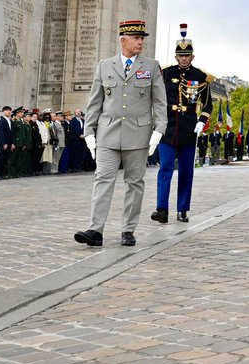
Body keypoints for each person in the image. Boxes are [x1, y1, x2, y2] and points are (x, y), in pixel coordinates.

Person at [74, 19, 167, 248]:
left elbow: (160, 103)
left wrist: (158, 131)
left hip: (138, 135)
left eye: (142, 38)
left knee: (134, 183)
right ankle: (95, 230)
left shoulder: (151, 66)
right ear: (123, 40)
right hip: (108, 133)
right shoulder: (104, 66)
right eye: (136, 38)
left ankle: (128, 229)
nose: (140, 42)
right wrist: (89, 133)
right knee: (102, 179)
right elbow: (95, 102)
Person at [154, 34, 213, 224]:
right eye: (181, 55)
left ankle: (182, 209)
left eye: (187, 55)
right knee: (165, 168)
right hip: (168, 127)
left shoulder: (200, 77)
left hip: (188, 127)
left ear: (192, 57)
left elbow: (207, 105)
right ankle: (161, 209)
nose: (184, 59)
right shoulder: (166, 73)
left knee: (187, 171)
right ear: (176, 56)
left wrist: (201, 122)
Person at [0, 106, 14, 180]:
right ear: (3, 111)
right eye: (6, 110)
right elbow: (1, 133)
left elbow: (12, 133)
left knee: (5, 160)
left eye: (9, 110)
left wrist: (12, 143)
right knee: (1, 159)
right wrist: (4, 143)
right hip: (3, 143)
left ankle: (3, 174)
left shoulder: (10, 121)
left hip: (9, 143)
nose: (8, 112)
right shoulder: (2, 121)